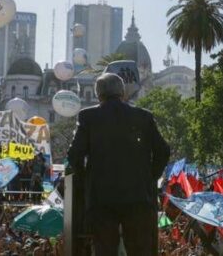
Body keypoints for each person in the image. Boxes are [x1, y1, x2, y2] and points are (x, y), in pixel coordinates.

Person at [68, 73, 171, 256]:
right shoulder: (143, 117)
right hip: (138, 198)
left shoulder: (88, 117)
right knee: (140, 250)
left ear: (98, 94)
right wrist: (149, 178)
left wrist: (87, 181)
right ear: (122, 92)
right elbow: (163, 151)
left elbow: (74, 155)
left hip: (102, 199)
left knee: (105, 250)